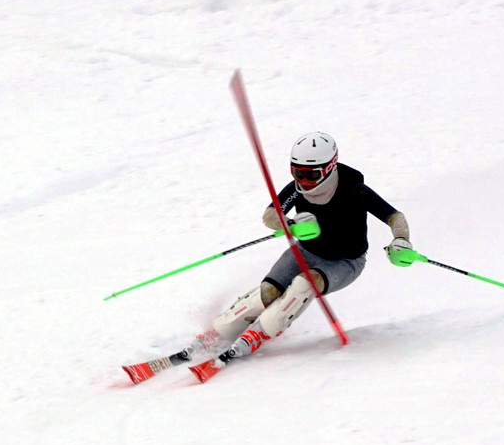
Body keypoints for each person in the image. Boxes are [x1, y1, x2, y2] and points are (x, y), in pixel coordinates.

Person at [175, 132, 411, 367]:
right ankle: (221, 330)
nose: (304, 181)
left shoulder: (354, 189)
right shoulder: (298, 189)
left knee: (305, 283)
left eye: (311, 175)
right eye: (298, 172)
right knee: (268, 291)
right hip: (304, 252)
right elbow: (270, 215)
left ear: (329, 168)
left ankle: (261, 331)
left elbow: (395, 217)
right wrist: (290, 225)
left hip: (345, 262)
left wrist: (401, 240)